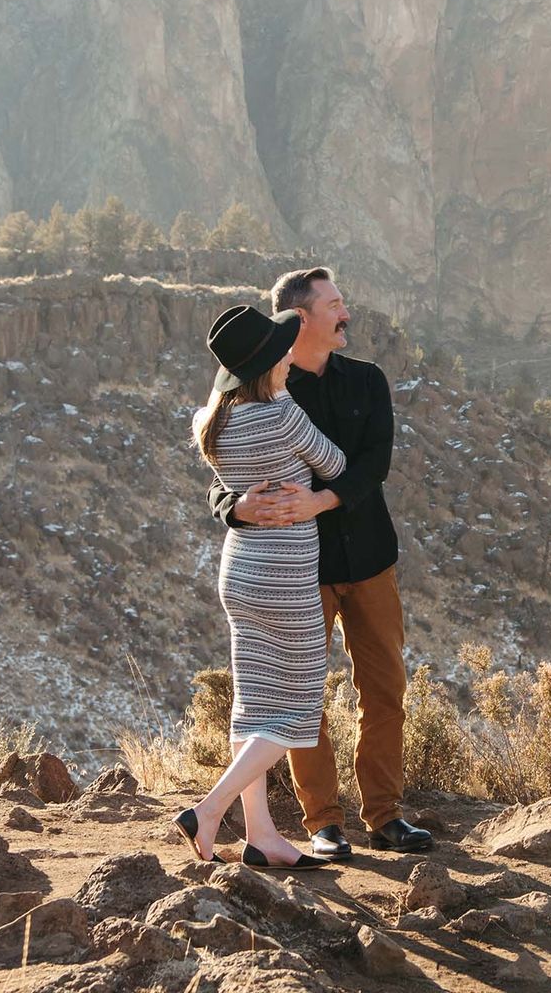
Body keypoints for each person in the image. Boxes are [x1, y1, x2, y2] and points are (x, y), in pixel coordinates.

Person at [209, 268, 433, 856]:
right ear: (301, 318)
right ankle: (323, 824)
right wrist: (238, 508)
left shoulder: (366, 380)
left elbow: (372, 463)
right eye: (337, 304)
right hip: (299, 570)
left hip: (370, 561)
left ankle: (385, 817)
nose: (347, 314)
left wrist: (320, 500)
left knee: (384, 689)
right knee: (304, 698)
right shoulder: (266, 389)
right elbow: (220, 486)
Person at [175, 304, 345, 870]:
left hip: (240, 571)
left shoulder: (214, 421)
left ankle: (262, 836)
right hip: (286, 575)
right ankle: (209, 809)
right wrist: (289, 403)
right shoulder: (281, 414)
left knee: (251, 708)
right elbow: (334, 462)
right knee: (295, 708)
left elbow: (227, 490)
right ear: (269, 365)